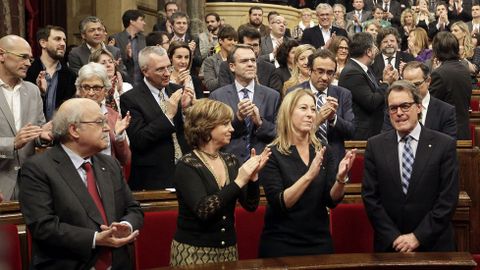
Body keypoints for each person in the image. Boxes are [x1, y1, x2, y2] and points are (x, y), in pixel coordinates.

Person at [19, 98, 143, 269]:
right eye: (100, 122)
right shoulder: (38, 169)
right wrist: (94, 238)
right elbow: (43, 226)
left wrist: (125, 226)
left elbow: (133, 209)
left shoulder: (110, 164)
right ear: (74, 130)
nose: (107, 128)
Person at [170, 98, 270, 266]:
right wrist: (239, 181)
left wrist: (253, 178)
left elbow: (251, 206)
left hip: (228, 250)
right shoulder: (187, 164)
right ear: (206, 127)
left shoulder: (230, 160)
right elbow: (204, 210)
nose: (231, 128)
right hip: (194, 253)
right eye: (225, 124)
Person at [362, 80, 459, 252]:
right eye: (393, 108)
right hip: (390, 246)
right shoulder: (375, 146)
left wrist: (418, 237)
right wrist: (394, 237)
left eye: (405, 106)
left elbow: (447, 199)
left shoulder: (443, 145)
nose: (399, 113)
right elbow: (371, 198)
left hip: (434, 245)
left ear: (419, 107)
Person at [258, 89, 356, 258]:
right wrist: (309, 175)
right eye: (303, 108)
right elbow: (281, 203)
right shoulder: (272, 153)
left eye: (313, 109)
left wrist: (340, 179)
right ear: (288, 113)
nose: (310, 114)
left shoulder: (324, 150)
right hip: (281, 244)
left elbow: (331, 200)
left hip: (318, 241)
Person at [120, 46, 193, 190]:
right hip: (152, 176)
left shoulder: (177, 90)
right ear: (145, 71)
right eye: (160, 69)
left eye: (168, 67)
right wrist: (169, 116)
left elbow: (188, 133)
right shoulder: (130, 99)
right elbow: (139, 139)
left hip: (184, 169)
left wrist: (186, 111)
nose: (167, 73)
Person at [0, 35, 52, 201]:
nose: (29, 63)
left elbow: (37, 131)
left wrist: (43, 137)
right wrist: (12, 143)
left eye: (30, 58)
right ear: (2, 55)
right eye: (23, 57)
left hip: (30, 185)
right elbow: (18, 141)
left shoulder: (32, 91)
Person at [210, 44, 280, 162]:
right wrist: (238, 118)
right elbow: (214, 135)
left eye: (253, 60)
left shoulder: (272, 96)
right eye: (244, 61)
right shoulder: (217, 96)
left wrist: (260, 122)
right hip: (229, 164)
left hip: (264, 164)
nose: (250, 64)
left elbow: (280, 134)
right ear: (232, 66)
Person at [288, 49, 355, 165]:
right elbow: (287, 130)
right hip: (301, 160)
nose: (325, 78)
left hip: (333, 161)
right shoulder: (294, 93)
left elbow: (351, 131)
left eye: (330, 73)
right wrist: (317, 120)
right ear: (309, 70)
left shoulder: (343, 94)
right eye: (320, 71)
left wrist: (333, 118)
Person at [338, 32, 397, 139]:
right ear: (369, 52)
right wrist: (386, 83)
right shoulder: (352, 73)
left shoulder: (363, 69)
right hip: (362, 135)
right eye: (374, 47)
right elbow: (371, 102)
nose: (376, 50)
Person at [382, 61, 456, 138]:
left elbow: (447, 145)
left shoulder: (446, 111)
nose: (411, 89)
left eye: (416, 84)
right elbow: (386, 140)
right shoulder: (394, 110)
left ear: (428, 81)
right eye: (406, 84)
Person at [76, 62, 131, 166]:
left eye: (97, 88)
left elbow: (125, 159)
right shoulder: (69, 113)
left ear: (106, 90)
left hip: (107, 175)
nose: (91, 93)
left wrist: (119, 137)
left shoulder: (113, 116)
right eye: (86, 87)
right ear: (79, 89)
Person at [25, 25, 76, 121]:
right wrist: (39, 92)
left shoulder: (71, 75)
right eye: (57, 39)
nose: (63, 44)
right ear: (43, 43)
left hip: (60, 131)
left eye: (64, 40)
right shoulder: (27, 70)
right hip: (32, 129)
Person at [429, 31, 472, 140]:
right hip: (463, 129)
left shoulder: (439, 73)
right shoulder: (464, 68)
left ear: (437, 50)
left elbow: (430, 103)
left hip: (446, 132)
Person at [111, 9, 147, 85]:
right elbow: (114, 62)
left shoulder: (144, 39)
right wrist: (127, 55)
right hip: (124, 82)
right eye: (141, 20)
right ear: (132, 21)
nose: (144, 23)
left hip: (142, 82)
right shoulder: (116, 38)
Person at [201, 25, 238, 92]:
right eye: (230, 39)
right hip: (218, 98)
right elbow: (210, 85)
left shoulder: (239, 60)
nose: (233, 43)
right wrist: (226, 75)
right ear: (220, 40)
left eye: (235, 40)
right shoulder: (210, 61)